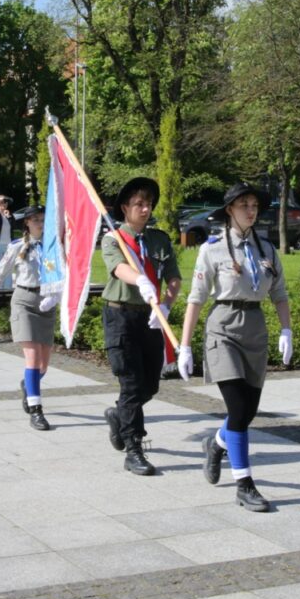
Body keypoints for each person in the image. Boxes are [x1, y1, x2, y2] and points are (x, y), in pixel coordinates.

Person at [177, 183, 291, 512]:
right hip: (223, 327)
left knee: (248, 411)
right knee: (238, 410)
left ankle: (215, 444)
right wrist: (185, 346)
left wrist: (286, 329)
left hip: (255, 328)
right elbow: (196, 298)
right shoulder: (212, 249)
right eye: (244, 205)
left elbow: (279, 292)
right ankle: (244, 484)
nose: (251, 210)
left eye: (254, 204)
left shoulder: (267, 249)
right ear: (230, 210)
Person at [101, 177, 181, 476]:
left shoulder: (159, 240)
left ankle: (119, 414)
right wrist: (141, 280)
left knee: (151, 384)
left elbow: (173, 277)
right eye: (139, 204)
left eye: (148, 204)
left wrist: (166, 304)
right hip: (120, 316)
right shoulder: (113, 239)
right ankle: (134, 449)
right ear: (125, 208)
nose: (145, 209)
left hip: (150, 317)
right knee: (132, 384)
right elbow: (118, 267)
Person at [0, 206, 56, 431]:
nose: (41, 223)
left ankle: (28, 386)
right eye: (37, 220)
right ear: (27, 223)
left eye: (43, 219)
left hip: (47, 304)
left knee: (43, 365)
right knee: (32, 358)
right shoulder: (17, 247)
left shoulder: (53, 246)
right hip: (24, 302)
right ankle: (36, 410)